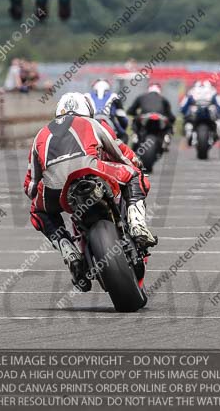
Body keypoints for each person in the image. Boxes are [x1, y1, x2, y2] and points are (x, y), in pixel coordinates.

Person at [23, 92, 157, 291]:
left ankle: (68, 251)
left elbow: (31, 185)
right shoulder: (94, 124)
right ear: (88, 109)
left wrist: (43, 189)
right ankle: (138, 225)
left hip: (57, 188)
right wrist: (134, 163)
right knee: (134, 174)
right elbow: (121, 155)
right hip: (92, 172)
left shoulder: (40, 135)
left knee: (37, 211)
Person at [127, 83, 176, 148]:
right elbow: (171, 116)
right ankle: (167, 137)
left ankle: (135, 136)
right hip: (159, 118)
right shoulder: (164, 99)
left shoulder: (141, 97)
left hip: (145, 117)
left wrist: (137, 115)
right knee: (169, 125)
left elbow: (130, 110)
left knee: (134, 121)